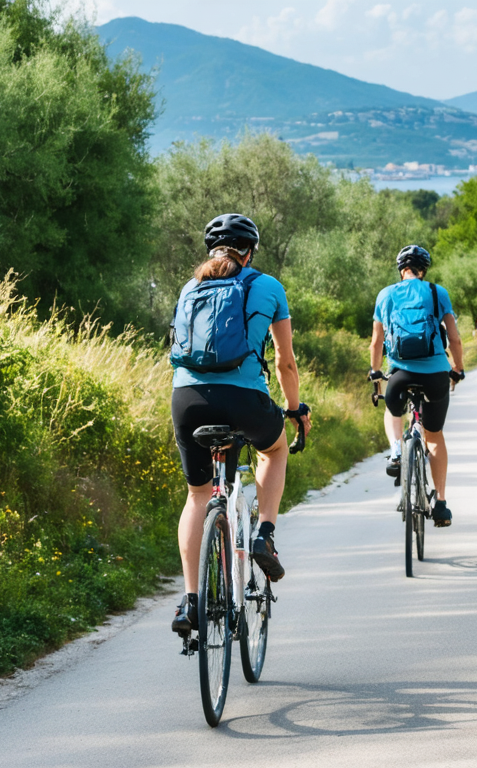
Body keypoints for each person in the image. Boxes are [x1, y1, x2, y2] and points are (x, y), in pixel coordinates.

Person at [168, 213, 312, 637]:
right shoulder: (267, 286)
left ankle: (190, 600)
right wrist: (293, 408)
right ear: (250, 252)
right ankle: (264, 533)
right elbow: (285, 361)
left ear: (211, 250)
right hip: (245, 399)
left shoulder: (189, 287)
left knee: (197, 495)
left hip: (187, 400)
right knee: (274, 448)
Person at [369, 245, 465, 527]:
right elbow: (455, 338)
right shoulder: (437, 292)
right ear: (424, 270)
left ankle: (397, 450)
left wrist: (376, 373)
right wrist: (457, 369)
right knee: (434, 435)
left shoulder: (385, 294)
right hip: (436, 373)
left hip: (399, 375)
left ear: (401, 269)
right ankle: (442, 504)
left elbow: (376, 342)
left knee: (393, 410)